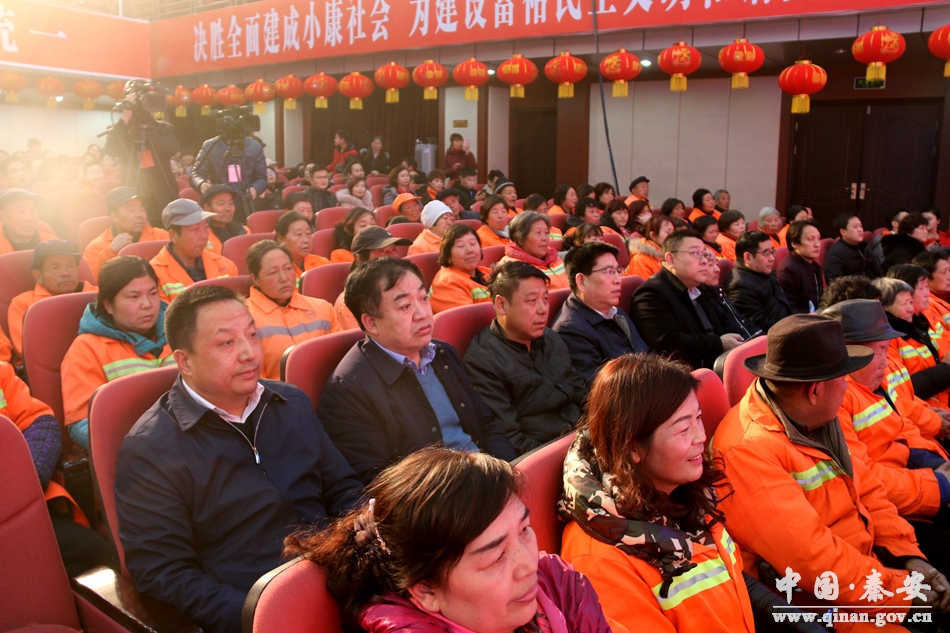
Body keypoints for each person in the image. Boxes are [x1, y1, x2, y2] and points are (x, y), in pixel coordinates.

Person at [114, 284, 362, 633]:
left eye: (252, 335)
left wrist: (366, 534)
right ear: (184, 361)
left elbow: (342, 486)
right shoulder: (151, 448)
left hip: (341, 582)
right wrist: (256, 615)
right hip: (252, 609)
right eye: (226, 343)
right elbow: (164, 572)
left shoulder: (290, 403)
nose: (249, 353)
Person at [713, 314, 950, 623]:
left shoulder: (814, 415)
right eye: (843, 378)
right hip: (824, 607)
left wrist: (907, 555)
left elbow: (869, 491)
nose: (848, 386)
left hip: (866, 571)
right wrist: (904, 592)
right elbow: (814, 561)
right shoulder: (746, 452)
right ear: (815, 391)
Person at [560, 354, 791, 633]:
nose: (701, 436)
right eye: (683, 428)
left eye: (698, 418)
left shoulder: (685, 494)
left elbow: (734, 580)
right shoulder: (599, 560)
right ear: (633, 448)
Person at [285, 448, 612, 633]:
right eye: (496, 556)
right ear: (426, 592)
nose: (529, 564)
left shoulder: (561, 586)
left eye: (524, 530)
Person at [317, 258, 517, 484]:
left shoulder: (442, 353)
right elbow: (377, 481)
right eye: (405, 306)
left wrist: (508, 474)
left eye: (423, 298)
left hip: (488, 477)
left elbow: (485, 423)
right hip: (439, 495)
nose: (422, 313)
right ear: (371, 323)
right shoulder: (349, 389)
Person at [822, 299, 950, 570]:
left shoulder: (873, 379)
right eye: (880, 350)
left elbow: (902, 427)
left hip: (909, 488)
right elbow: (865, 480)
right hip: (889, 510)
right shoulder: (833, 400)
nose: (886, 361)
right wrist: (939, 485)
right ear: (849, 352)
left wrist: (936, 465)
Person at [464, 262, 585, 454]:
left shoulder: (551, 338)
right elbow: (509, 438)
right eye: (532, 301)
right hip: (544, 455)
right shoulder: (482, 362)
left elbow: (580, 392)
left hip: (582, 439)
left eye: (545, 299)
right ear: (501, 305)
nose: (543, 309)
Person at [61, 256, 174, 450]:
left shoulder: (180, 331)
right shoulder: (86, 349)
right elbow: (83, 425)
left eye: (153, 293)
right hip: (139, 453)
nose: (147, 304)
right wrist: (143, 447)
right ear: (108, 305)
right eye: (134, 297)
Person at [631, 229, 745, 369]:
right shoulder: (650, 295)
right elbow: (669, 344)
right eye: (695, 253)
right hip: (687, 372)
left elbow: (720, 326)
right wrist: (719, 343)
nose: (704, 261)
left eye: (704, 254)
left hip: (719, 362)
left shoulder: (700, 287)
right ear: (670, 259)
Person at [549, 241, 649, 387]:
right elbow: (601, 389)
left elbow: (646, 353)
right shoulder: (570, 330)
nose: (618, 280)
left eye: (618, 271)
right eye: (608, 271)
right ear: (581, 282)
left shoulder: (615, 312)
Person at [244, 241, 338, 380]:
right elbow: (255, 381)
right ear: (255, 279)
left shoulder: (323, 308)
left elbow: (342, 359)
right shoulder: (244, 319)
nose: (284, 278)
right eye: (273, 272)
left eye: (288, 268)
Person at [105, 83, 180, 227]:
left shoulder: (163, 128)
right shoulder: (122, 130)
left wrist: (149, 131)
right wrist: (125, 118)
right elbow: (111, 150)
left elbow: (171, 149)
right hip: (132, 190)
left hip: (163, 192)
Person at [877, 268, 950, 410]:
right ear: (885, 307)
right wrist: (946, 369)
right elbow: (904, 389)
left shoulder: (917, 325)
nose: (910, 309)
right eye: (904, 304)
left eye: (911, 302)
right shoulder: (888, 340)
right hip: (927, 411)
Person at [9, 240, 97, 357]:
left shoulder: (97, 295)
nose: (66, 273)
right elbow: (25, 350)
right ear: (38, 276)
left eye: (71, 266)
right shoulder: (23, 303)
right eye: (55, 268)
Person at [150, 199, 239, 302]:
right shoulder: (155, 275)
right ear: (174, 235)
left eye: (206, 227)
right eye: (195, 229)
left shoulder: (225, 266)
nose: (204, 236)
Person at [334, 227, 413, 330]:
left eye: (394, 249)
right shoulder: (350, 303)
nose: (391, 256)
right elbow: (364, 338)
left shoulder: (404, 285)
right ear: (360, 258)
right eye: (381, 251)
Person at [84, 187, 169, 278]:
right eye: (131, 210)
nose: (139, 215)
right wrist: (110, 252)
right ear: (114, 216)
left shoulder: (161, 236)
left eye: (142, 209)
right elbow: (94, 283)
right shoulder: (95, 247)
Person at [725, 231, 793, 332]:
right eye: (766, 253)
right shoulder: (740, 287)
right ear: (748, 257)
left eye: (772, 252)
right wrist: (793, 326)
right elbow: (761, 326)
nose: (772, 258)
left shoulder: (763, 271)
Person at [428, 224, 491, 314]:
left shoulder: (487, 271)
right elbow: (470, 319)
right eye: (461, 246)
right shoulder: (447, 284)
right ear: (448, 255)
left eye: (473, 243)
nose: (470, 250)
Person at [500, 212, 569, 290]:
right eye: (538, 233)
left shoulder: (553, 257)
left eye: (546, 233)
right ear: (520, 238)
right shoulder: (512, 268)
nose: (545, 238)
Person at [776, 219, 824, 313]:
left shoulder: (815, 266)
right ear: (794, 243)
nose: (817, 244)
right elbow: (789, 309)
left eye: (818, 238)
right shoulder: (787, 270)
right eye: (811, 239)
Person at [824, 212, 880, 282]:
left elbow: (878, 271)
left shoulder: (865, 246)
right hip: (855, 288)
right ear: (843, 231)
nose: (860, 230)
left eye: (861, 226)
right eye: (855, 227)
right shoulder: (836, 253)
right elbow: (834, 282)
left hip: (873, 285)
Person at [0, 189, 57, 254]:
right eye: (20, 212)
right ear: (3, 216)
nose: (29, 218)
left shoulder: (53, 245)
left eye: (32, 211)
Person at [274, 211, 329, 278]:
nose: (306, 240)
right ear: (281, 239)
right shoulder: (274, 269)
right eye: (298, 234)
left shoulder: (322, 263)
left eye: (308, 233)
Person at [202, 185, 249, 255]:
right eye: (221, 204)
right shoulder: (202, 236)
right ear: (207, 207)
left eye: (231, 203)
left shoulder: (244, 231)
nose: (228, 209)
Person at [626, 215, 674, 279]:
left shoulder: (674, 253)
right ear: (653, 235)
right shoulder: (640, 260)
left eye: (673, 231)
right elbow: (646, 285)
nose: (673, 236)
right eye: (668, 232)